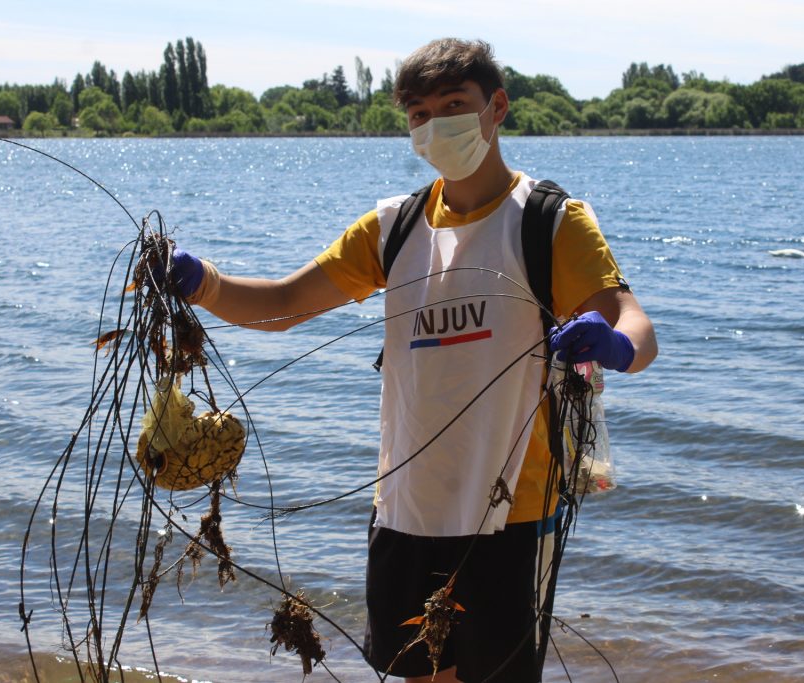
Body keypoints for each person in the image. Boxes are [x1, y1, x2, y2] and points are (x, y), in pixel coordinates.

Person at [171, 38, 657, 683]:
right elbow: (283, 304)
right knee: (419, 675)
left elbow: (635, 323)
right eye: (420, 114)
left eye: (454, 105)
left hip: (511, 508)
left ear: (497, 107)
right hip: (405, 503)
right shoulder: (393, 228)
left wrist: (616, 344)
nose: (436, 124)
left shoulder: (549, 220)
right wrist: (202, 282)